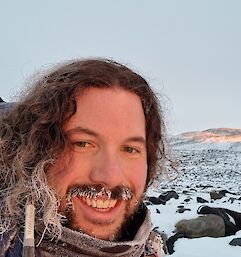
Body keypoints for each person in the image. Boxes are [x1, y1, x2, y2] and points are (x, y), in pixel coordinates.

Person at [0, 59, 166, 257]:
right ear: (34, 150)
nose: (111, 177)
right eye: (83, 144)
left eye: (130, 149)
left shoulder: (151, 250)